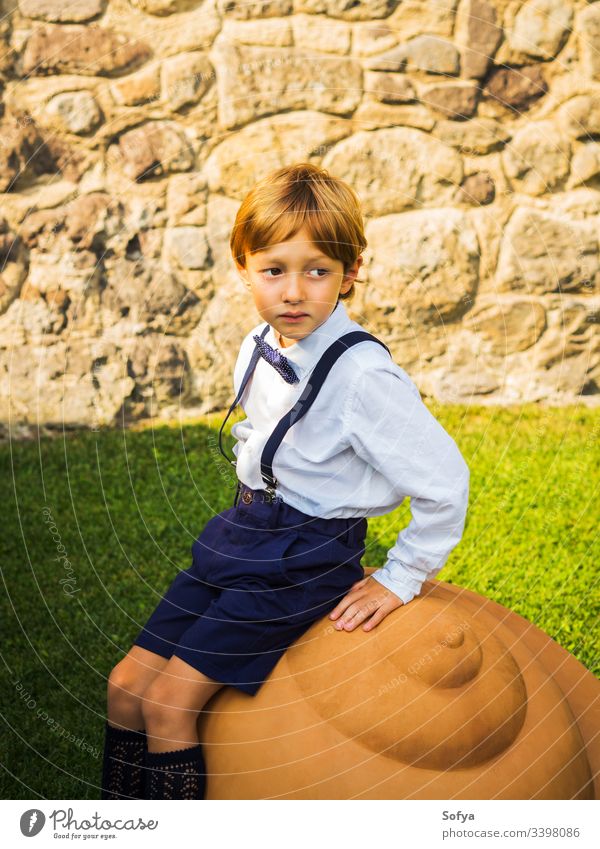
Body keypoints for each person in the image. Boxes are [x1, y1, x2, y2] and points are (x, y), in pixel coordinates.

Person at [100, 162, 470, 801]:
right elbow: (267, 437)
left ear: (350, 273)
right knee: (125, 688)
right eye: (274, 270)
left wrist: (402, 575)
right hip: (243, 531)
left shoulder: (363, 379)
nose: (293, 292)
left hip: (304, 558)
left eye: (317, 271)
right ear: (243, 266)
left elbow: (446, 481)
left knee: (166, 704)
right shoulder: (257, 344)